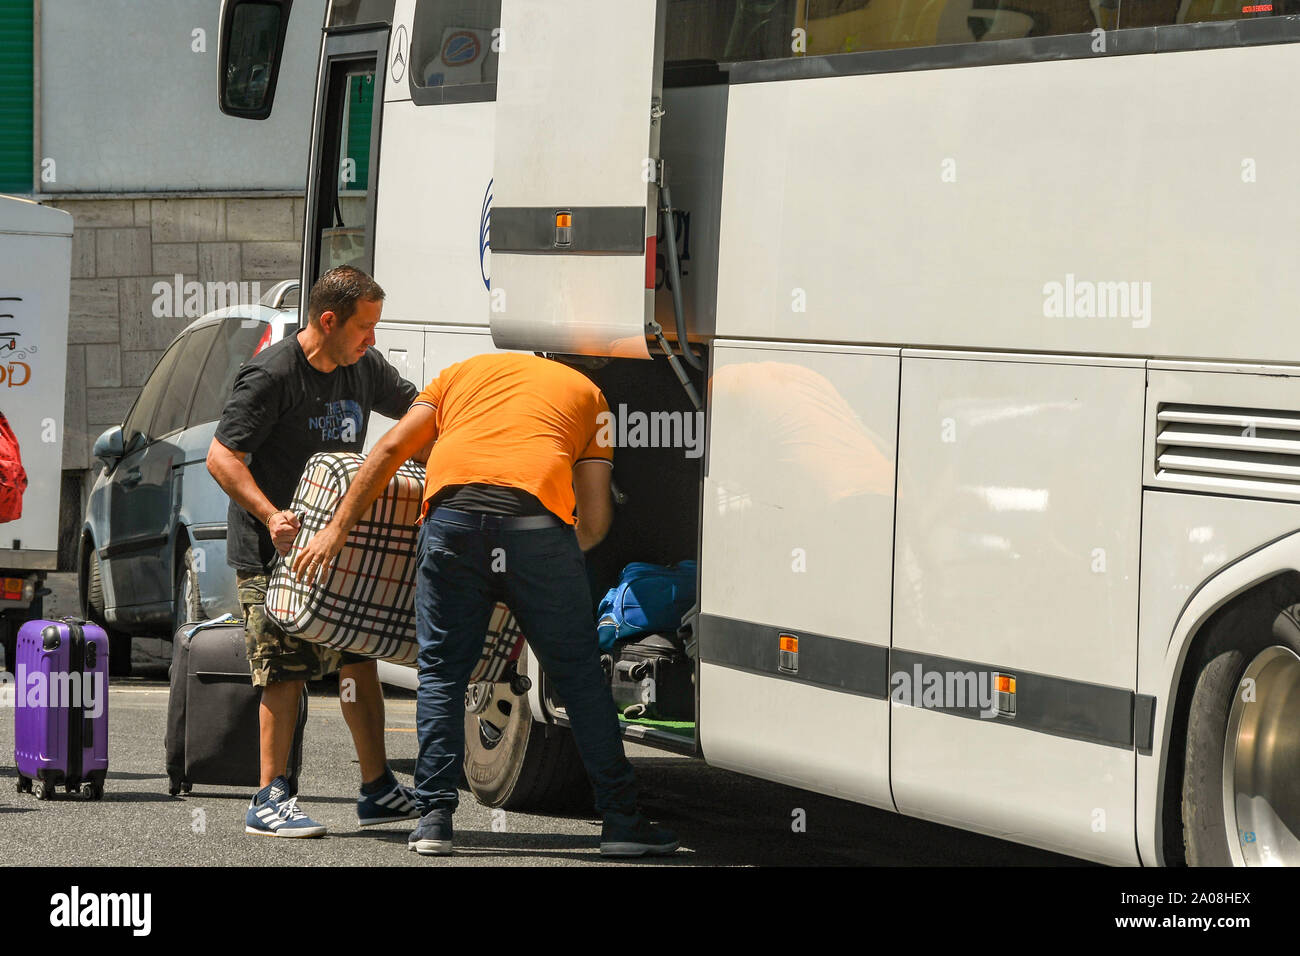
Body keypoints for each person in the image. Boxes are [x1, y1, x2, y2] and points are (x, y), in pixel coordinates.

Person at [292, 351, 680, 857]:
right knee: (579, 677)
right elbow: (596, 516)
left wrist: (335, 532)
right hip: (537, 529)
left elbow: (387, 450)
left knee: (442, 673)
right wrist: (550, 561)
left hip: (453, 524)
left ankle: (433, 820)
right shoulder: (590, 397)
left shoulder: (459, 374)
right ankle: (621, 821)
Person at [206, 266, 421, 838]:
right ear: (328, 321)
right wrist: (271, 515)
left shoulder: (363, 368)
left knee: (358, 659)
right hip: (273, 547)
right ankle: (269, 798)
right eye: (365, 327)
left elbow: (420, 411)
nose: (372, 340)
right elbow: (222, 458)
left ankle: (377, 789)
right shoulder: (272, 375)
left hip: (336, 546)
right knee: (286, 668)